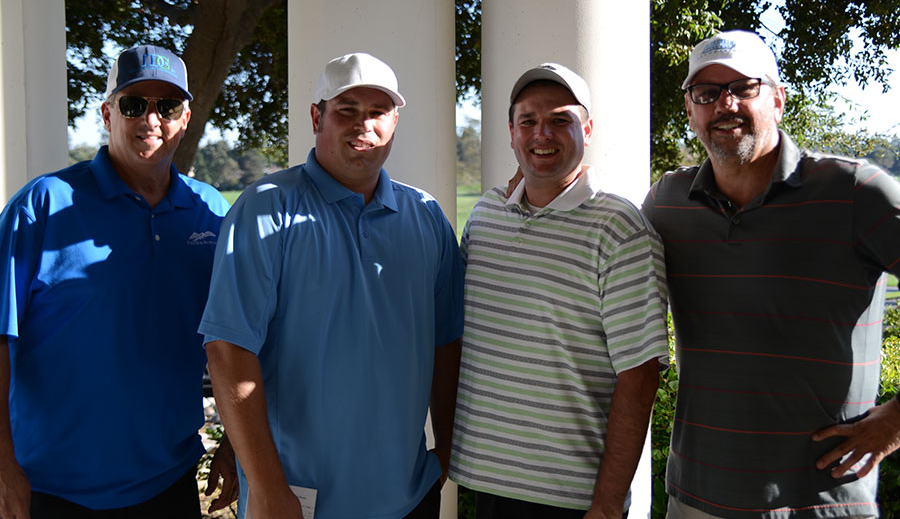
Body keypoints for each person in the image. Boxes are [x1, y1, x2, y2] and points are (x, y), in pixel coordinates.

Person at [641, 30, 900, 519]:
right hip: (696, 499)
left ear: (778, 100)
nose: (726, 104)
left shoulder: (854, 192)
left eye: (744, 87)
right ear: (691, 111)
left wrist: (896, 422)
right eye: (707, 93)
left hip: (821, 503)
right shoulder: (667, 204)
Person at [198, 52, 465, 519]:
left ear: (394, 122)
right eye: (346, 110)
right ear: (316, 117)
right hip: (295, 503)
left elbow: (447, 342)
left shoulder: (426, 216)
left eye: (378, 112)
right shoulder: (265, 209)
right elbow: (228, 351)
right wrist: (266, 489)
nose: (364, 125)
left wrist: (444, 451)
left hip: (407, 498)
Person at [0, 45, 237, 518]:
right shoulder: (41, 206)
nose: (151, 119)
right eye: (133, 104)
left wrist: (234, 443)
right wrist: (3, 465)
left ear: (185, 118)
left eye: (167, 106)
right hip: (51, 489)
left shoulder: (211, 211)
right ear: (108, 114)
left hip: (168, 482)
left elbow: (239, 337)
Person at [449, 63, 670, 519]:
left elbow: (640, 375)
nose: (541, 134)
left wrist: (607, 505)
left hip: (571, 499)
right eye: (528, 121)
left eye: (560, 120)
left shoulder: (620, 230)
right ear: (511, 133)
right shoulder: (487, 215)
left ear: (586, 129)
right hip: (486, 481)